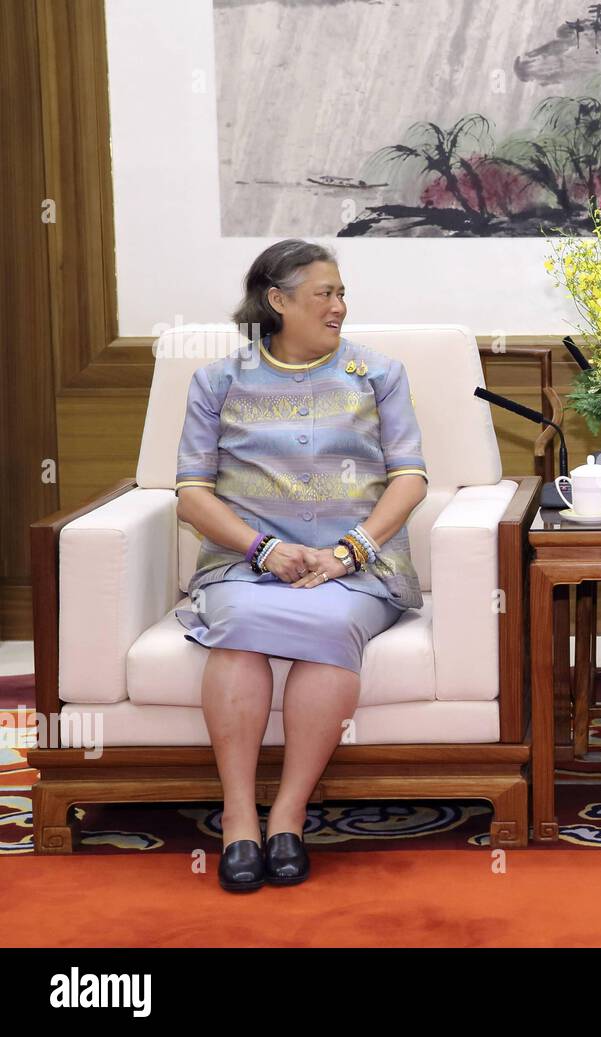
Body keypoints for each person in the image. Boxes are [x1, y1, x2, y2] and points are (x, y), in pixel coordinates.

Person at [173, 239, 429, 892]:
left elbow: (410, 479)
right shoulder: (218, 380)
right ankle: (238, 817)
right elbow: (192, 495)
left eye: (343, 293)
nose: (340, 306)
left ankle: (287, 813)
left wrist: (350, 551)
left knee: (331, 624)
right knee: (236, 630)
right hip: (245, 563)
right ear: (278, 301)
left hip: (356, 565)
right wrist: (264, 549)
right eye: (326, 294)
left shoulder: (379, 373)